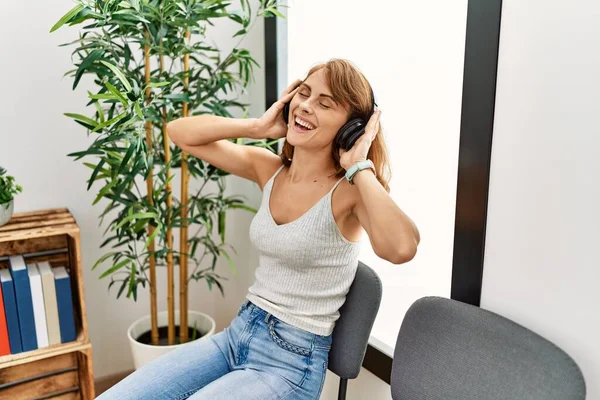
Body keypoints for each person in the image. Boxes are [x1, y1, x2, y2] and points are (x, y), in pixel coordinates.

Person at [97, 58, 420, 400]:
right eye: (304, 93)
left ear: (351, 128)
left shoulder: (350, 192)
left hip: (291, 362)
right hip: (239, 335)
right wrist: (256, 128)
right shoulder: (270, 169)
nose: (306, 106)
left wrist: (359, 165)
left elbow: (402, 248)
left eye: (324, 104)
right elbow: (179, 133)